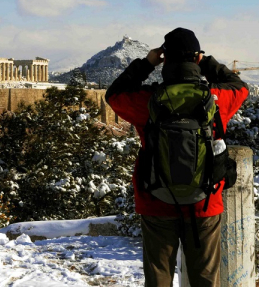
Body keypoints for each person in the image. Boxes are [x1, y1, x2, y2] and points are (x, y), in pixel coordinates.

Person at [105, 28, 249, 286]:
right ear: (196, 59)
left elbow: (114, 95)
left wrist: (147, 63)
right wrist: (206, 62)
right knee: (205, 279)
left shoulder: (148, 100)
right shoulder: (216, 98)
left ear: (166, 60)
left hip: (156, 200)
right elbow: (240, 87)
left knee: (158, 277)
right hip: (204, 203)